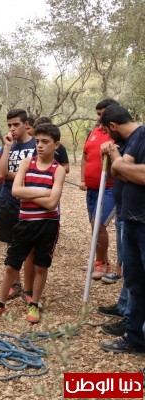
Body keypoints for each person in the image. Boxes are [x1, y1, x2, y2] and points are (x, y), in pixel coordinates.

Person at [0, 123, 66, 323]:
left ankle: (33, 304)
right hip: (25, 222)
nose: (40, 145)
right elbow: (15, 191)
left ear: (56, 145)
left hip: (48, 225)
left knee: (41, 267)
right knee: (11, 265)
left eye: (45, 142)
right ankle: (0, 304)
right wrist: (45, 191)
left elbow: (52, 203)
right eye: (37, 141)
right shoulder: (27, 163)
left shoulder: (59, 170)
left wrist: (29, 194)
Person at [99, 104, 145, 355]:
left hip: (143, 223)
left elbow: (141, 175)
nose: (107, 136)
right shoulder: (128, 141)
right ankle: (135, 338)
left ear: (113, 126)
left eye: (107, 131)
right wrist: (115, 160)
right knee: (135, 283)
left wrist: (117, 160)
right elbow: (118, 172)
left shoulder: (142, 135)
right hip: (131, 220)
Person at [0, 108, 36, 302]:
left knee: (30, 248)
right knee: (11, 244)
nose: (12, 129)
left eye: (16, 125)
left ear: (26, 124)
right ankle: (16, 284)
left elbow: (37, 173)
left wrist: (16, 175)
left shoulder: (36, 144)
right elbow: (1, 174)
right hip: (8, 199)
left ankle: (29, 289)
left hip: (30, 202)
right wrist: (7, 148)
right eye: (9, 125)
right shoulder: (8, 146)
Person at [79, 99, 119, 279]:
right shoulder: (93, 132)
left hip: (110, 189)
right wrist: (82, 179)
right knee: (94, 227)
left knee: (99, 225)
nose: (99, 117)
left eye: (103, 113)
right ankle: (103, 262)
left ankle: (101, 264)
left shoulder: (116, 134)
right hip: (92, 190)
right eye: (98, 113)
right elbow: (85, 157)